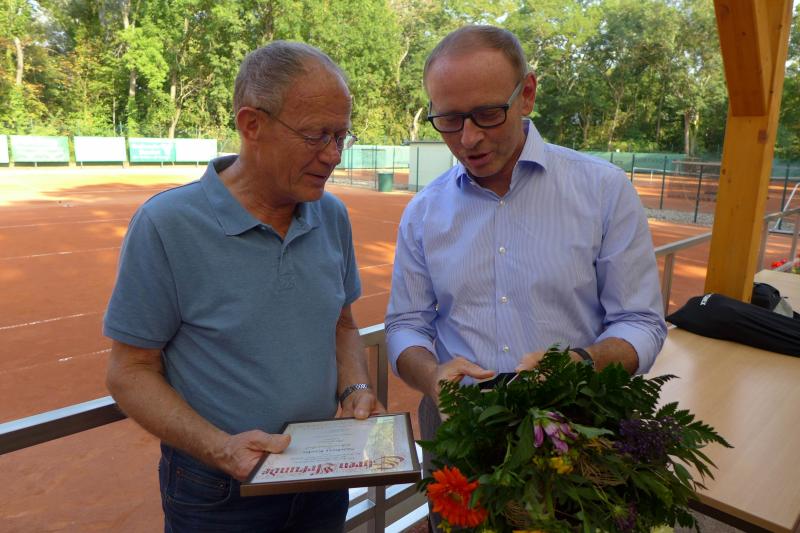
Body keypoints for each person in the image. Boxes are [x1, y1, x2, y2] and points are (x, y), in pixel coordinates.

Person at [385, 25, 667, 524]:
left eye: (487, 114)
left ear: (528, 94)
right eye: (448, 120)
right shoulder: (423, 211)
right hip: (458, 425)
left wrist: (580, 364)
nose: (468, 138)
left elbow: (640, 321)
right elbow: (406, 323)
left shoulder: (603, 191)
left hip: (578, 430)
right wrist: (432, 377)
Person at [104, 41, 381, 533]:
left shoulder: (332, 215)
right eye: (316, 135)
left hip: (322, 476)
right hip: (218, 490)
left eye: (341, 135)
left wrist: (356, 386)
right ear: (252, 124)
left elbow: (341, 323)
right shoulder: (167, 224)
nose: (333, 155)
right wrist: (222, 449)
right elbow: (129, 371)